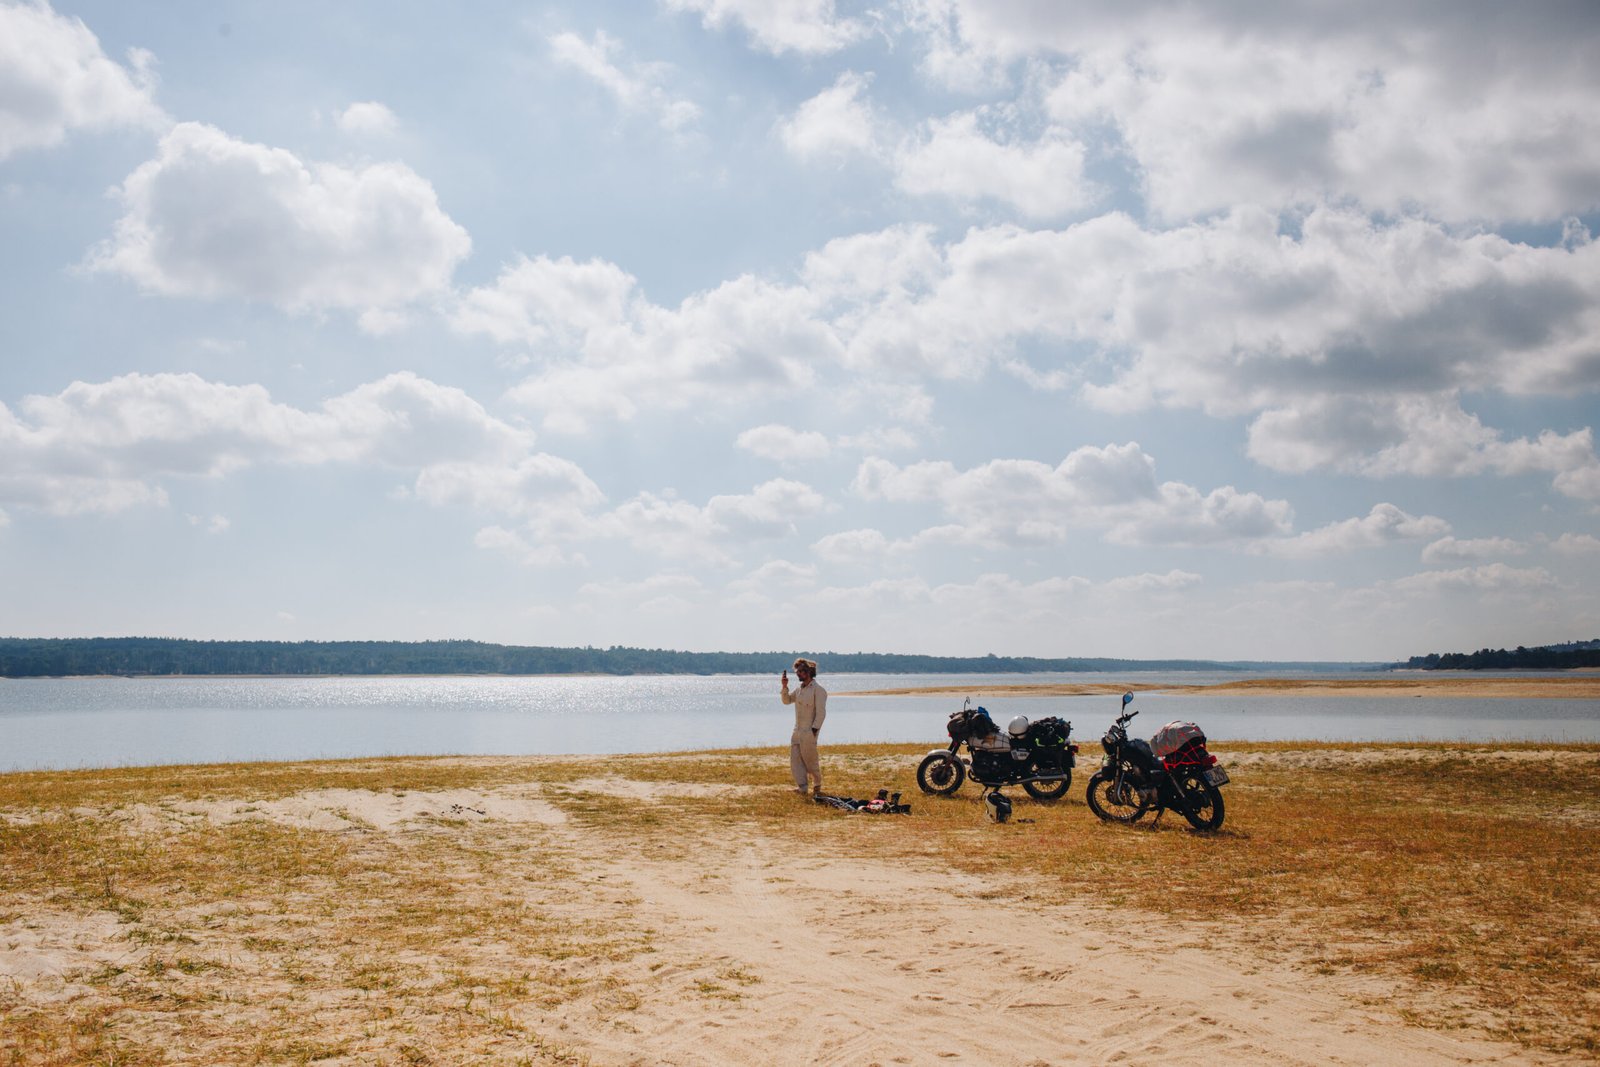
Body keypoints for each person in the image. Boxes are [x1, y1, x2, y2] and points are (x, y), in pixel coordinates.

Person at [779, 657, 827, 796]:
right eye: (797, 671)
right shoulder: (799, 690)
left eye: (800, 671)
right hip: (797, 731)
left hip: (809, 732)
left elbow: (821, 713)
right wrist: (784, 686)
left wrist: (814, 731)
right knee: (796, 761)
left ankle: (817, 785)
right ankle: (802, 788)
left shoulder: (818, 690)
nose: (798, 674)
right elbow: (786, 701)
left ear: (808, 672)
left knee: (811, 761)